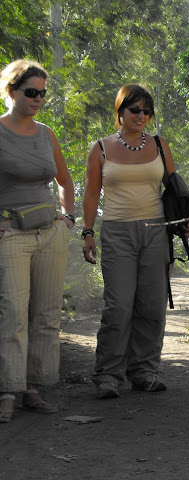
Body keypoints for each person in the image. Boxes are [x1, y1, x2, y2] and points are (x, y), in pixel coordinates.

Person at [82, 84, 189, 400]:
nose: (142, 116)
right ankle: (108, 375)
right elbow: (92, 193)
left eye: (147, 111)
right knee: (119, 305)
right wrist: (88, 232)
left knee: (152, 304)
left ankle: (145, 371)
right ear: (120, 111)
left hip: (156, 232)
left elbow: (175, 186)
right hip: (117, 232)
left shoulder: (159, 145)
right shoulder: (102, 148)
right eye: (135, 110)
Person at [0, 59, 75, 422]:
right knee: (12, 313)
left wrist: (68, 217)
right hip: (10, 233)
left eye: (43, 93)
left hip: (50, 233)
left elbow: (65, 180)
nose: (38, 99)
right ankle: (7, 392)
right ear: (11, 91)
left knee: (45, 314)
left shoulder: (46, 133)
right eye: (31, 92)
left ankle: (33, 388)